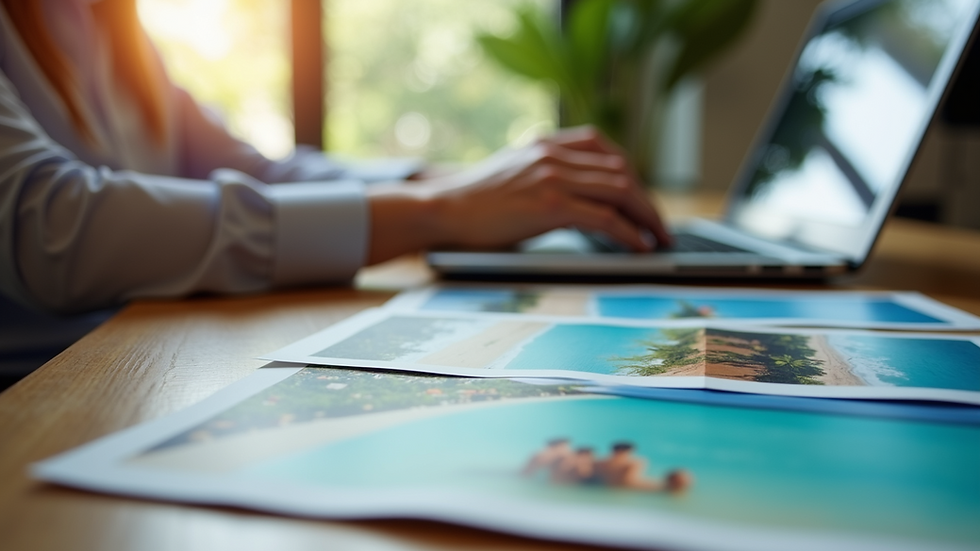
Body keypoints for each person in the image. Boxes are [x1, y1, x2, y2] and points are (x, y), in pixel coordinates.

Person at [0, 0, 671, 315]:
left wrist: (468, 182)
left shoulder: (105, 21)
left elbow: (256, 171)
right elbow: (53, 229)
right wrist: (442, 209)